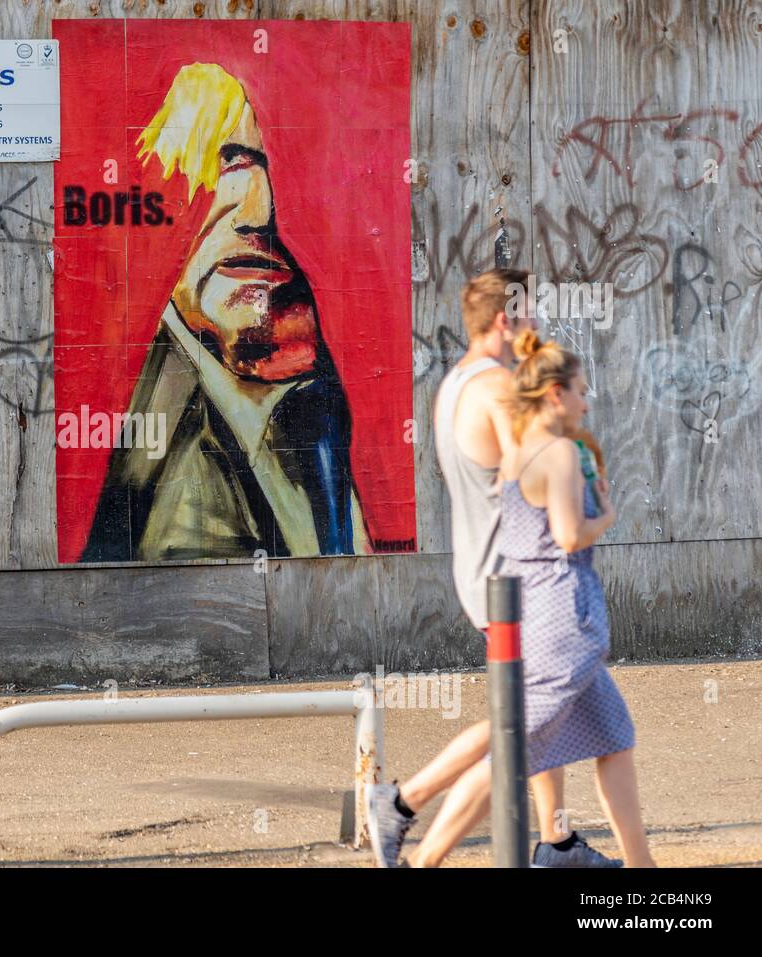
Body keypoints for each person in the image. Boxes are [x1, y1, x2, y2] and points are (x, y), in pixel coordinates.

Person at [368, 270, 619, 868]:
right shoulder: (500, 391)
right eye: (528, 314)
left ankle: (555, 842)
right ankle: (405, 805)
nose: (535, 325)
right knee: (524, 726)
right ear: (505, 320)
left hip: (487, 573)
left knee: (542, 715)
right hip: (517, 584)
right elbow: (533, 473)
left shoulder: (454, 382)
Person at [80, 63, 365, 563]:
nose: (259, 209)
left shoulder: (304, 401)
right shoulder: (191, 494)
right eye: (232, 163)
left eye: (262, 167)